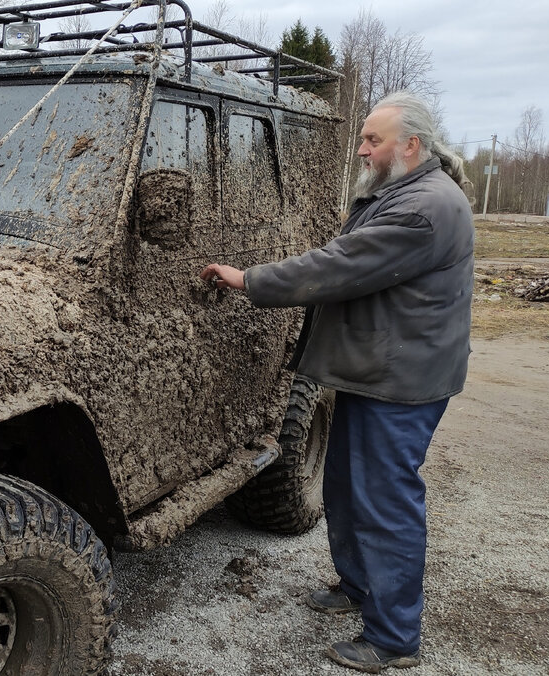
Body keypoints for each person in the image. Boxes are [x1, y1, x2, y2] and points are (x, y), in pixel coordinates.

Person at [199, 90, 474, 672]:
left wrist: (250, 279)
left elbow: (340, 265)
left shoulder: (424, 207)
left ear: (411, 146)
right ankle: (358, 586)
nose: (363, 149)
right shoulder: (400, 190)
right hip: (375, 371)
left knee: (385, 502)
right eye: (365, 138)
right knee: (348, 488)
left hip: (400, 382)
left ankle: (395, 637)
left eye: (373, 140)